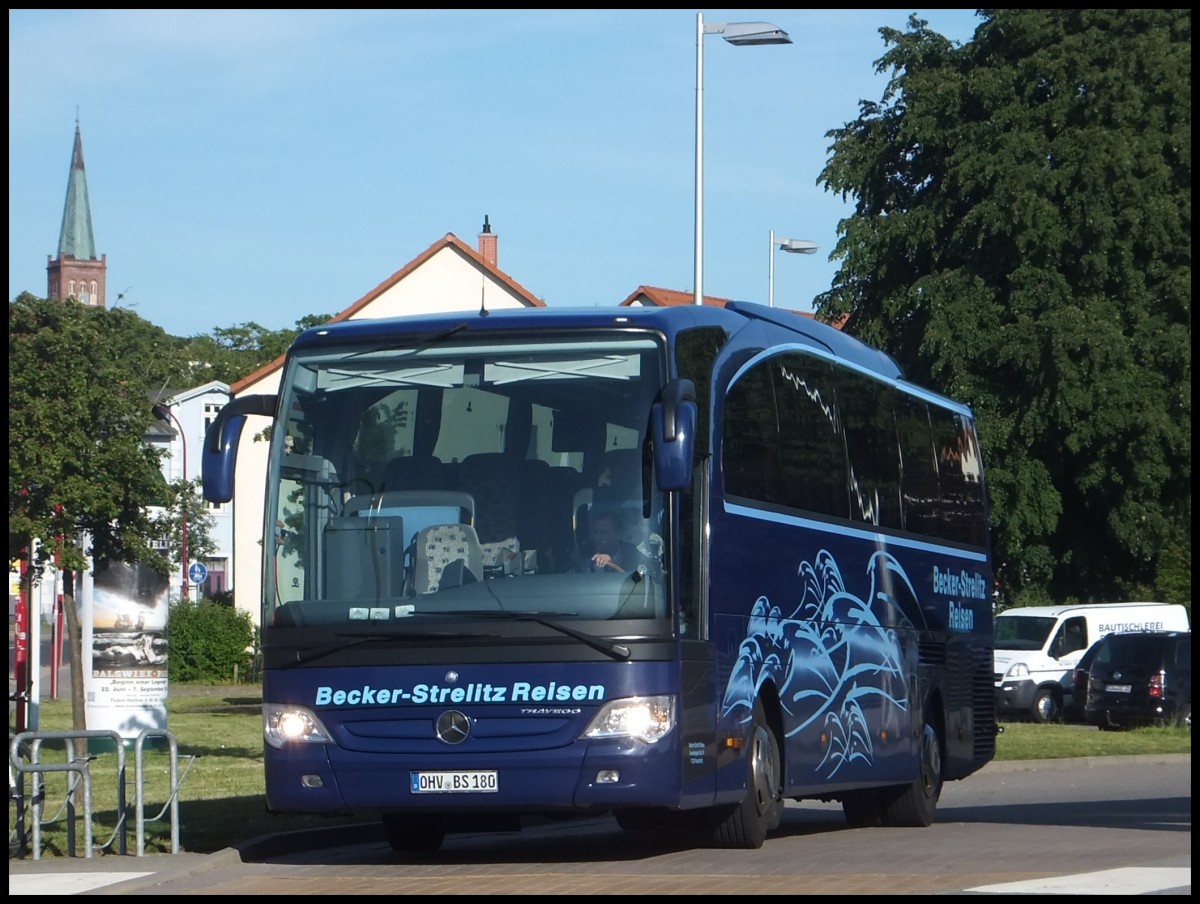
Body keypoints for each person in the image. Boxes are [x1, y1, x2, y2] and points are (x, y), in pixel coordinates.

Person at [571, 508, 643, 574]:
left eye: (603, 533)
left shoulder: (631, 554)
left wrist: (613, 565)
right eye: (595, 532)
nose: (597, 537)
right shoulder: (584, 553)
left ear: (618, 534)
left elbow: (636, 584)